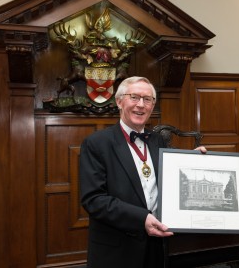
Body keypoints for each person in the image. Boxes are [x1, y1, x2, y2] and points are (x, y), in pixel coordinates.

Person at [79, 76, 205, 268]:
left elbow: (172, 179)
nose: (141, 105)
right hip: (117, 249)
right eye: (134, 97)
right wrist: (142, 218)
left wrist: (193, 162)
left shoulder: (158, 141)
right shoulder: (96, 143)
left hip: (157, 245)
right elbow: (94, 199)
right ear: (119, 101)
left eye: (147, 99)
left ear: (152, 106)